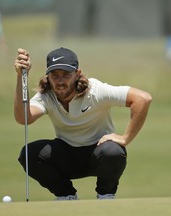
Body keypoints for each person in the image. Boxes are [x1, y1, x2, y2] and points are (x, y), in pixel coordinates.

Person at [14, 47, 152, 200]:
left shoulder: (95, 91)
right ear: (48, 76)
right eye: (54, 75)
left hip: (99, 154)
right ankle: (66, 195)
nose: (60, 81)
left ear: (77, 74)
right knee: (29, 154)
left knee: (113, 151)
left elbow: (142, 99)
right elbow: (23, 118)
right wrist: (21, 77)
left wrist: (125, 138)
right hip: (67, 156)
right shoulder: (46, 96)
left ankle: (105, 195)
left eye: (66, 75)